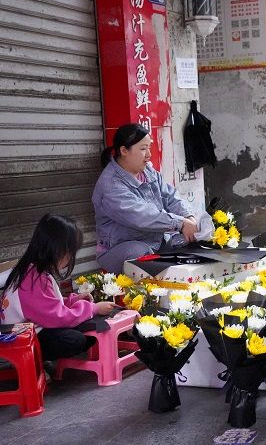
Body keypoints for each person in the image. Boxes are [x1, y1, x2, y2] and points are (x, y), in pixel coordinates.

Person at [0, 214, 116, 361]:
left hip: (29, 331)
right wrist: (94, 308)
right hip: (21, 339)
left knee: (82, 327)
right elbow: (57, 317)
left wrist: (74, 300)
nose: (70, 258)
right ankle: (35, 360)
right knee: (75, 340)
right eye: (70, 253)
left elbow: (48, 306)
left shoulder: (32, 270)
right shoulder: (32, 279)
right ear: (58, 250)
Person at [93, 123, 199, 274]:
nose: (149, 154)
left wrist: (188, 217)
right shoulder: (111, 187)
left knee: (191, 245)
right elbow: (142, 216)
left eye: (149, 147)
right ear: (124, 150)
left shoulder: (147, 169)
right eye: (143, 149)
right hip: (120, 248)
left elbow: (170, 196)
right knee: (139, 251)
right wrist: (180, 223)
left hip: (155, 241)